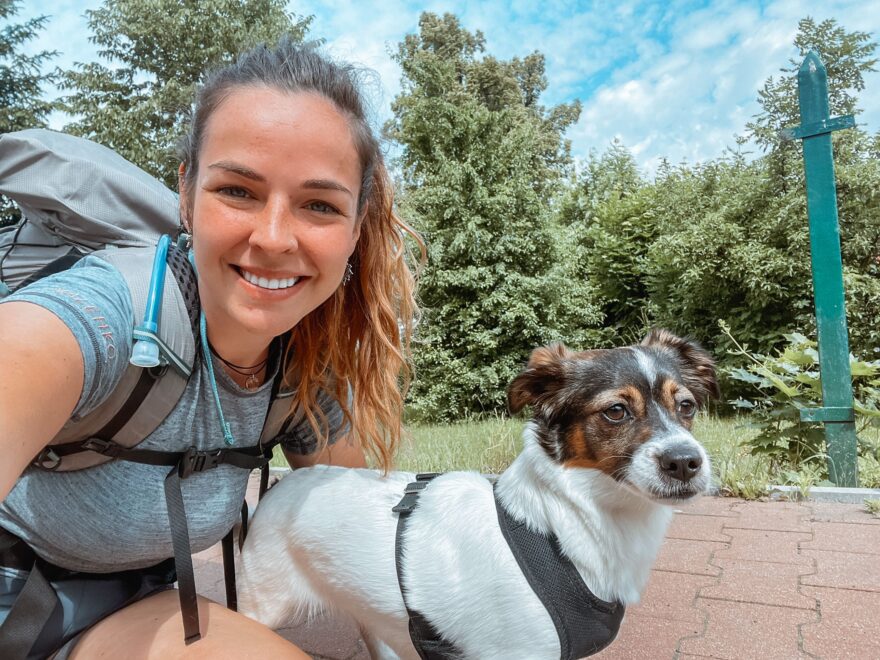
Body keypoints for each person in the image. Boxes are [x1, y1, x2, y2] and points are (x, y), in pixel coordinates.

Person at [0, 39, 421, 659]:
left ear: (356, 229)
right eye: (238, 191)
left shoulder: (303, 371)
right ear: (187, 193)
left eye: (319, 205)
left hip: (129, 603)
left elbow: (359, 539)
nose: (274, 238)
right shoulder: (103, 315)